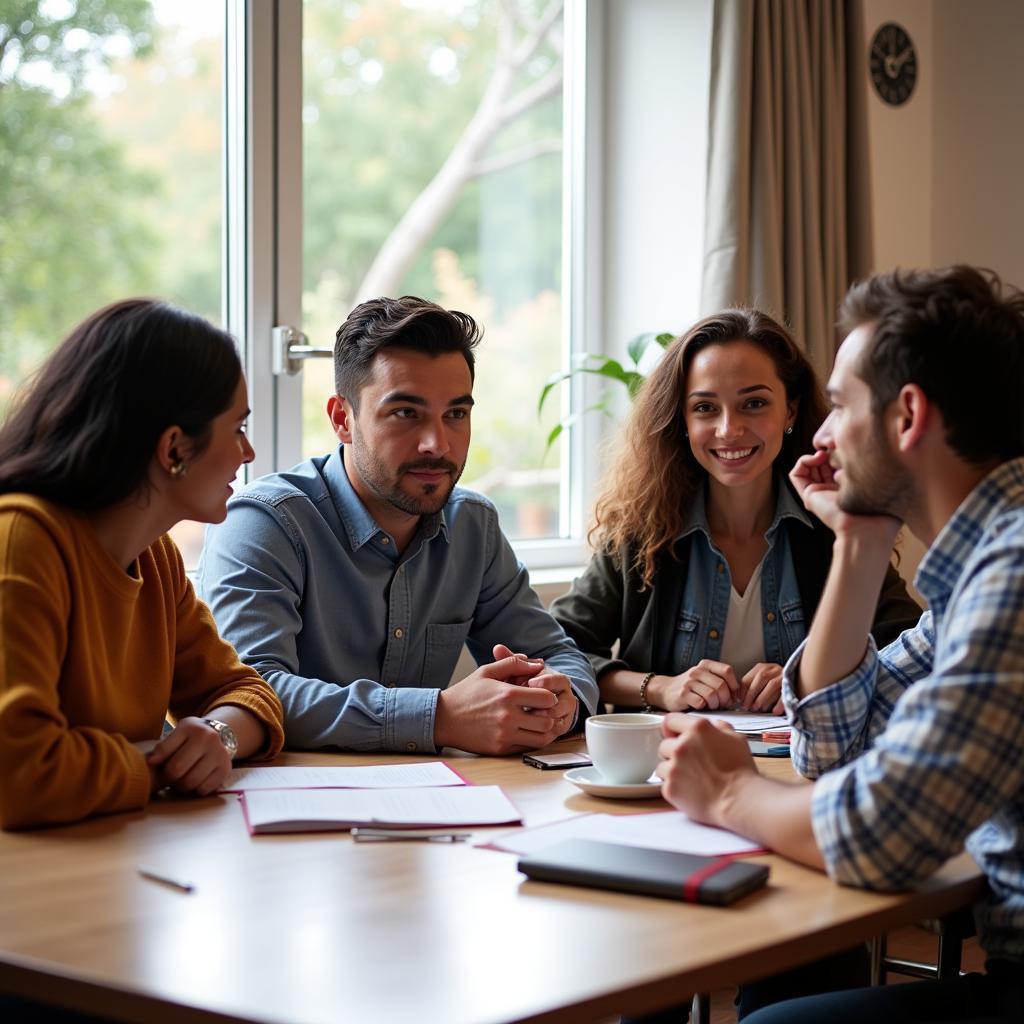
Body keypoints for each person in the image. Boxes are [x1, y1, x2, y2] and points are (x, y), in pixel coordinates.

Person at [658, 266, 1024, 1024]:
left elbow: (885, 836)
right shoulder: (981, 569)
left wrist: (730, 792)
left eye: (838, 407)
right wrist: (859, 540)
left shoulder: (1015, 570)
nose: (820, 438)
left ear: (907, 416)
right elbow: (837, 747)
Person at [198, 295, 598, 755]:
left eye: (456, 414)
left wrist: (560, 701)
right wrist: (440, 717)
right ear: (342, 419)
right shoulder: (263, 522)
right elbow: (254, 692)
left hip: (439, 801)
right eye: (406, 413)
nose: (437, 443)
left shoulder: (473, 525)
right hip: (292, 805)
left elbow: (563, 658)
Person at [0, 299, 285, 831]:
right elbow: (19, 775)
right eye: (237, 428)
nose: (247, 453)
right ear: (174, 448)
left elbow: (249, 694)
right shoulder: (22, 539)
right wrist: (160, 766)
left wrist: (216, 736)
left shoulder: (155, 559)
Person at [551, 309, 920, 717]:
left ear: (790, 411)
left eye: (754, 403)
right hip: (669, 770)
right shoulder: (639, 530)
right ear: (683, 420)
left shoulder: (837, 524)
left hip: (804, 771)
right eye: (706, 408)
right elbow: (562, 648)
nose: (729, 429)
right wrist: (659, 688)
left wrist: (808, 679)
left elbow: (909, 651)